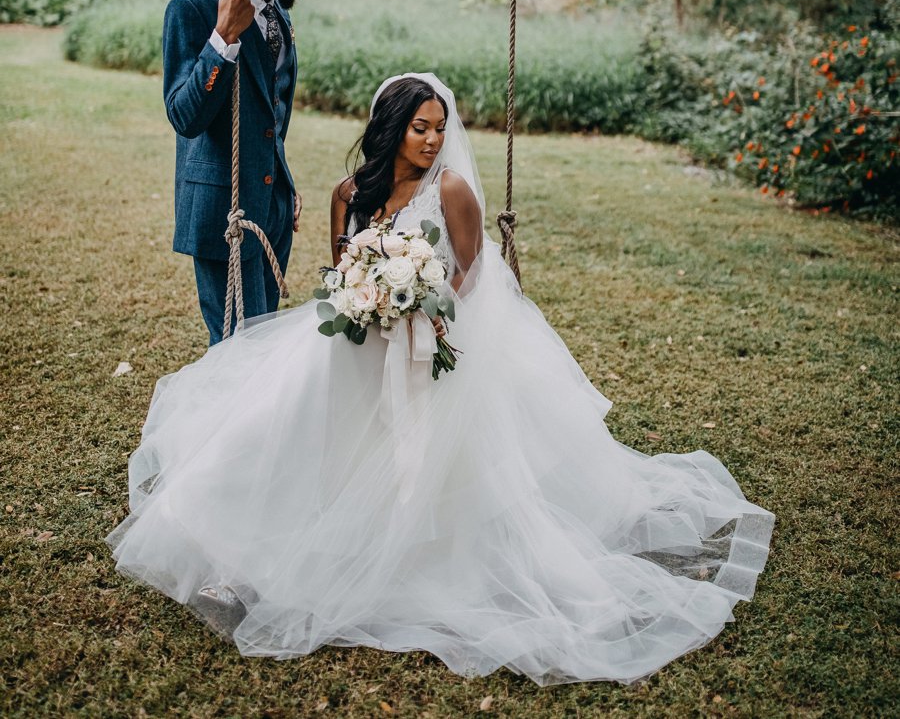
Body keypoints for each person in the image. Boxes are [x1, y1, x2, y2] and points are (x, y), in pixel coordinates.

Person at [108, 72, 774, 686]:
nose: (430, 140)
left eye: (438, 127)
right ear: (390, 127)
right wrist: (369, 299)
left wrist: (424, 307)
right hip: (357, 334)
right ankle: (241, 540)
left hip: (432, 335)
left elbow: (474, 268)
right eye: (418, 127)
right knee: (287, 405)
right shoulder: (350, 194)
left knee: (432, 447)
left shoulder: (450, 188)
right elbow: (340, 271)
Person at [161, 0, 316, 344]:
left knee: (263, 340)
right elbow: (184, 116)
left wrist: (282, 181)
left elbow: (271, 113)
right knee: (236, 347)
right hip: (224, 210)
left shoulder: (278, 16)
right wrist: (222, 38)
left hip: (273, 207)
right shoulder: (192, 9)